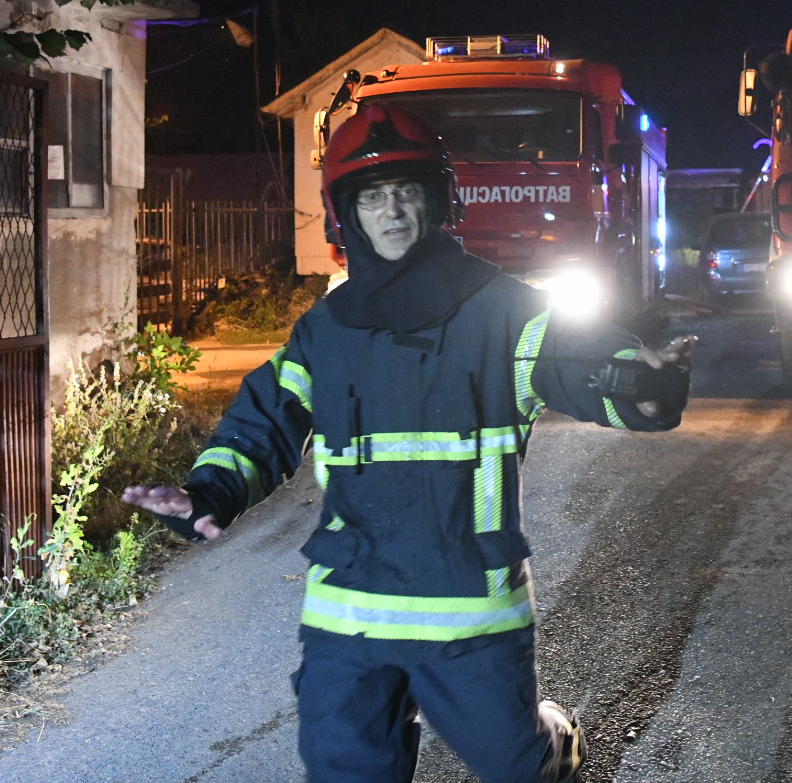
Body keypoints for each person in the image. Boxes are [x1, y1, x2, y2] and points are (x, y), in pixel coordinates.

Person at [124, 103, 696, 783]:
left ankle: (554, 743)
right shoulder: (325, 329)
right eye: (372, 197)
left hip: (468, 611)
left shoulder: (507, 310)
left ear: (437, 201)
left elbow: (584, 364)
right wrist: (204, 494)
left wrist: (644, 384)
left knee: (518, 768)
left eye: (407, 192)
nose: (391, 212)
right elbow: (264, 420)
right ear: (347, 214)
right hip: (349, 610)